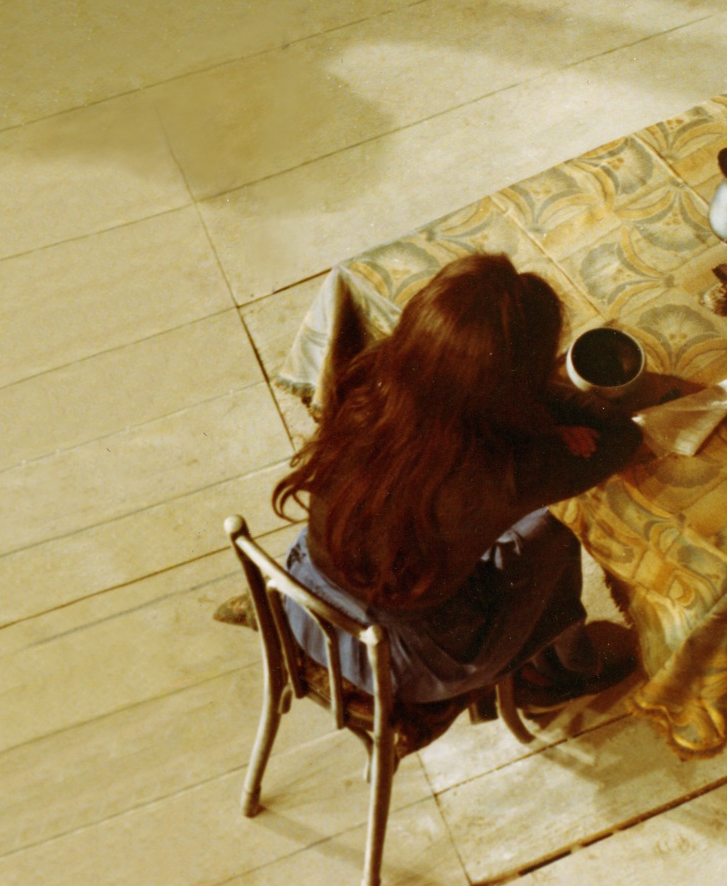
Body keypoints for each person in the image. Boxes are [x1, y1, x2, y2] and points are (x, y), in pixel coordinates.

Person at [271, 253, 644, 716]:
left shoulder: (370, 374)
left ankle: (555, 658)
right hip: (405, 661)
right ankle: (555, 671)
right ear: (510, 379)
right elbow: (624, 437)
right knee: (556, 531)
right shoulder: (509, 469)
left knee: (484, 528)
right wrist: (539, 398)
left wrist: (515, 390)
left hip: (305, 591)